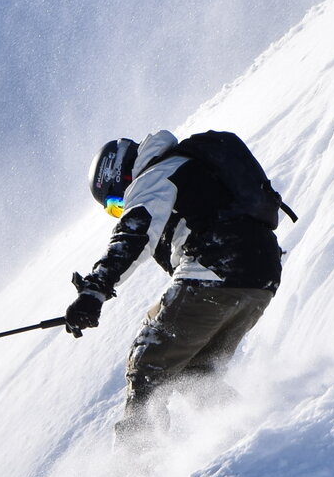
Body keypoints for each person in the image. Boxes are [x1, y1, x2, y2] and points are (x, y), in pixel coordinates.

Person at [61, 129, 291, 438]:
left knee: (148, 364)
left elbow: (134, 233)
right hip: (260, 281)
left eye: (117, 203)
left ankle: (135, 463)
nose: (123, 208)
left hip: (215, 271)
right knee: (196, 372)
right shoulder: (189, 167)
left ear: (120, 176)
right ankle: (252, 437)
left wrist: (94, 290)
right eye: (115, 209)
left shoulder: (154, 176)